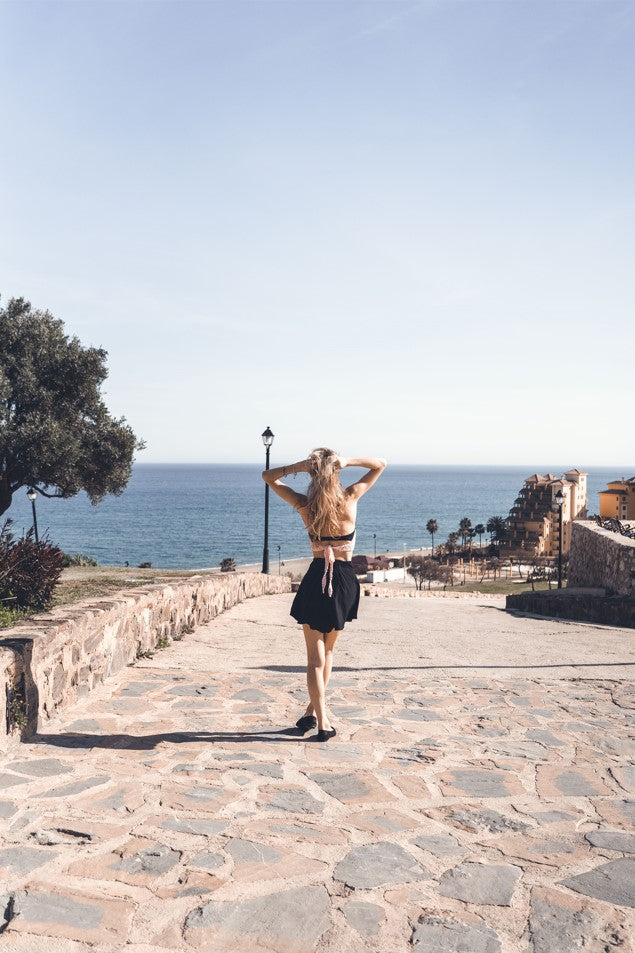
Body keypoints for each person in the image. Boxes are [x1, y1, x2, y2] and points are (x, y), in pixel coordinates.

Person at [261, 449, 387, 741]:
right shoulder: (351, 497)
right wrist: (349, 461)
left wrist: (300, 467)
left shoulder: (304, 504)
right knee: (327, 653)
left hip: (317, 577)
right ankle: (312, 714)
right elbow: (381, 464)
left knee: (315, 659)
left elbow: (268, 477)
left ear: (312, 473)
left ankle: (321, 721)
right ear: (337, 472)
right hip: (344, 581)